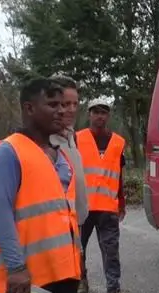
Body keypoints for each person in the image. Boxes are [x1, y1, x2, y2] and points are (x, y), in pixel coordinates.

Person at [0, 78, 92, 293]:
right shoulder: (7, 153)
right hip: (31, 277)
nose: (61, 111)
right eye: (52, 105)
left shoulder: (59, 154)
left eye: (64, 105)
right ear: (30, 108)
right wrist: (16, 268)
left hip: (65, 271)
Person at [75, 99, 137, 293]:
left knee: (111, 249)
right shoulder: (77, 139)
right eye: (96, 112)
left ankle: (113, 291)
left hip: (108, 207)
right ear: (89, 114)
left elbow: (119, 175)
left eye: (104, 112)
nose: (100, 116)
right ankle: (80, 281)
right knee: (78, 247)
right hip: (82, 206)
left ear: (108, 116)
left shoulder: (118, 142)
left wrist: (121, 202)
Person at [49, 75, 89, 227]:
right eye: (66, 104)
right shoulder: (44, 142)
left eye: (75, 104)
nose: (72, 110)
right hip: (58, 229)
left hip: (76, 225)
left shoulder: (72, 137)